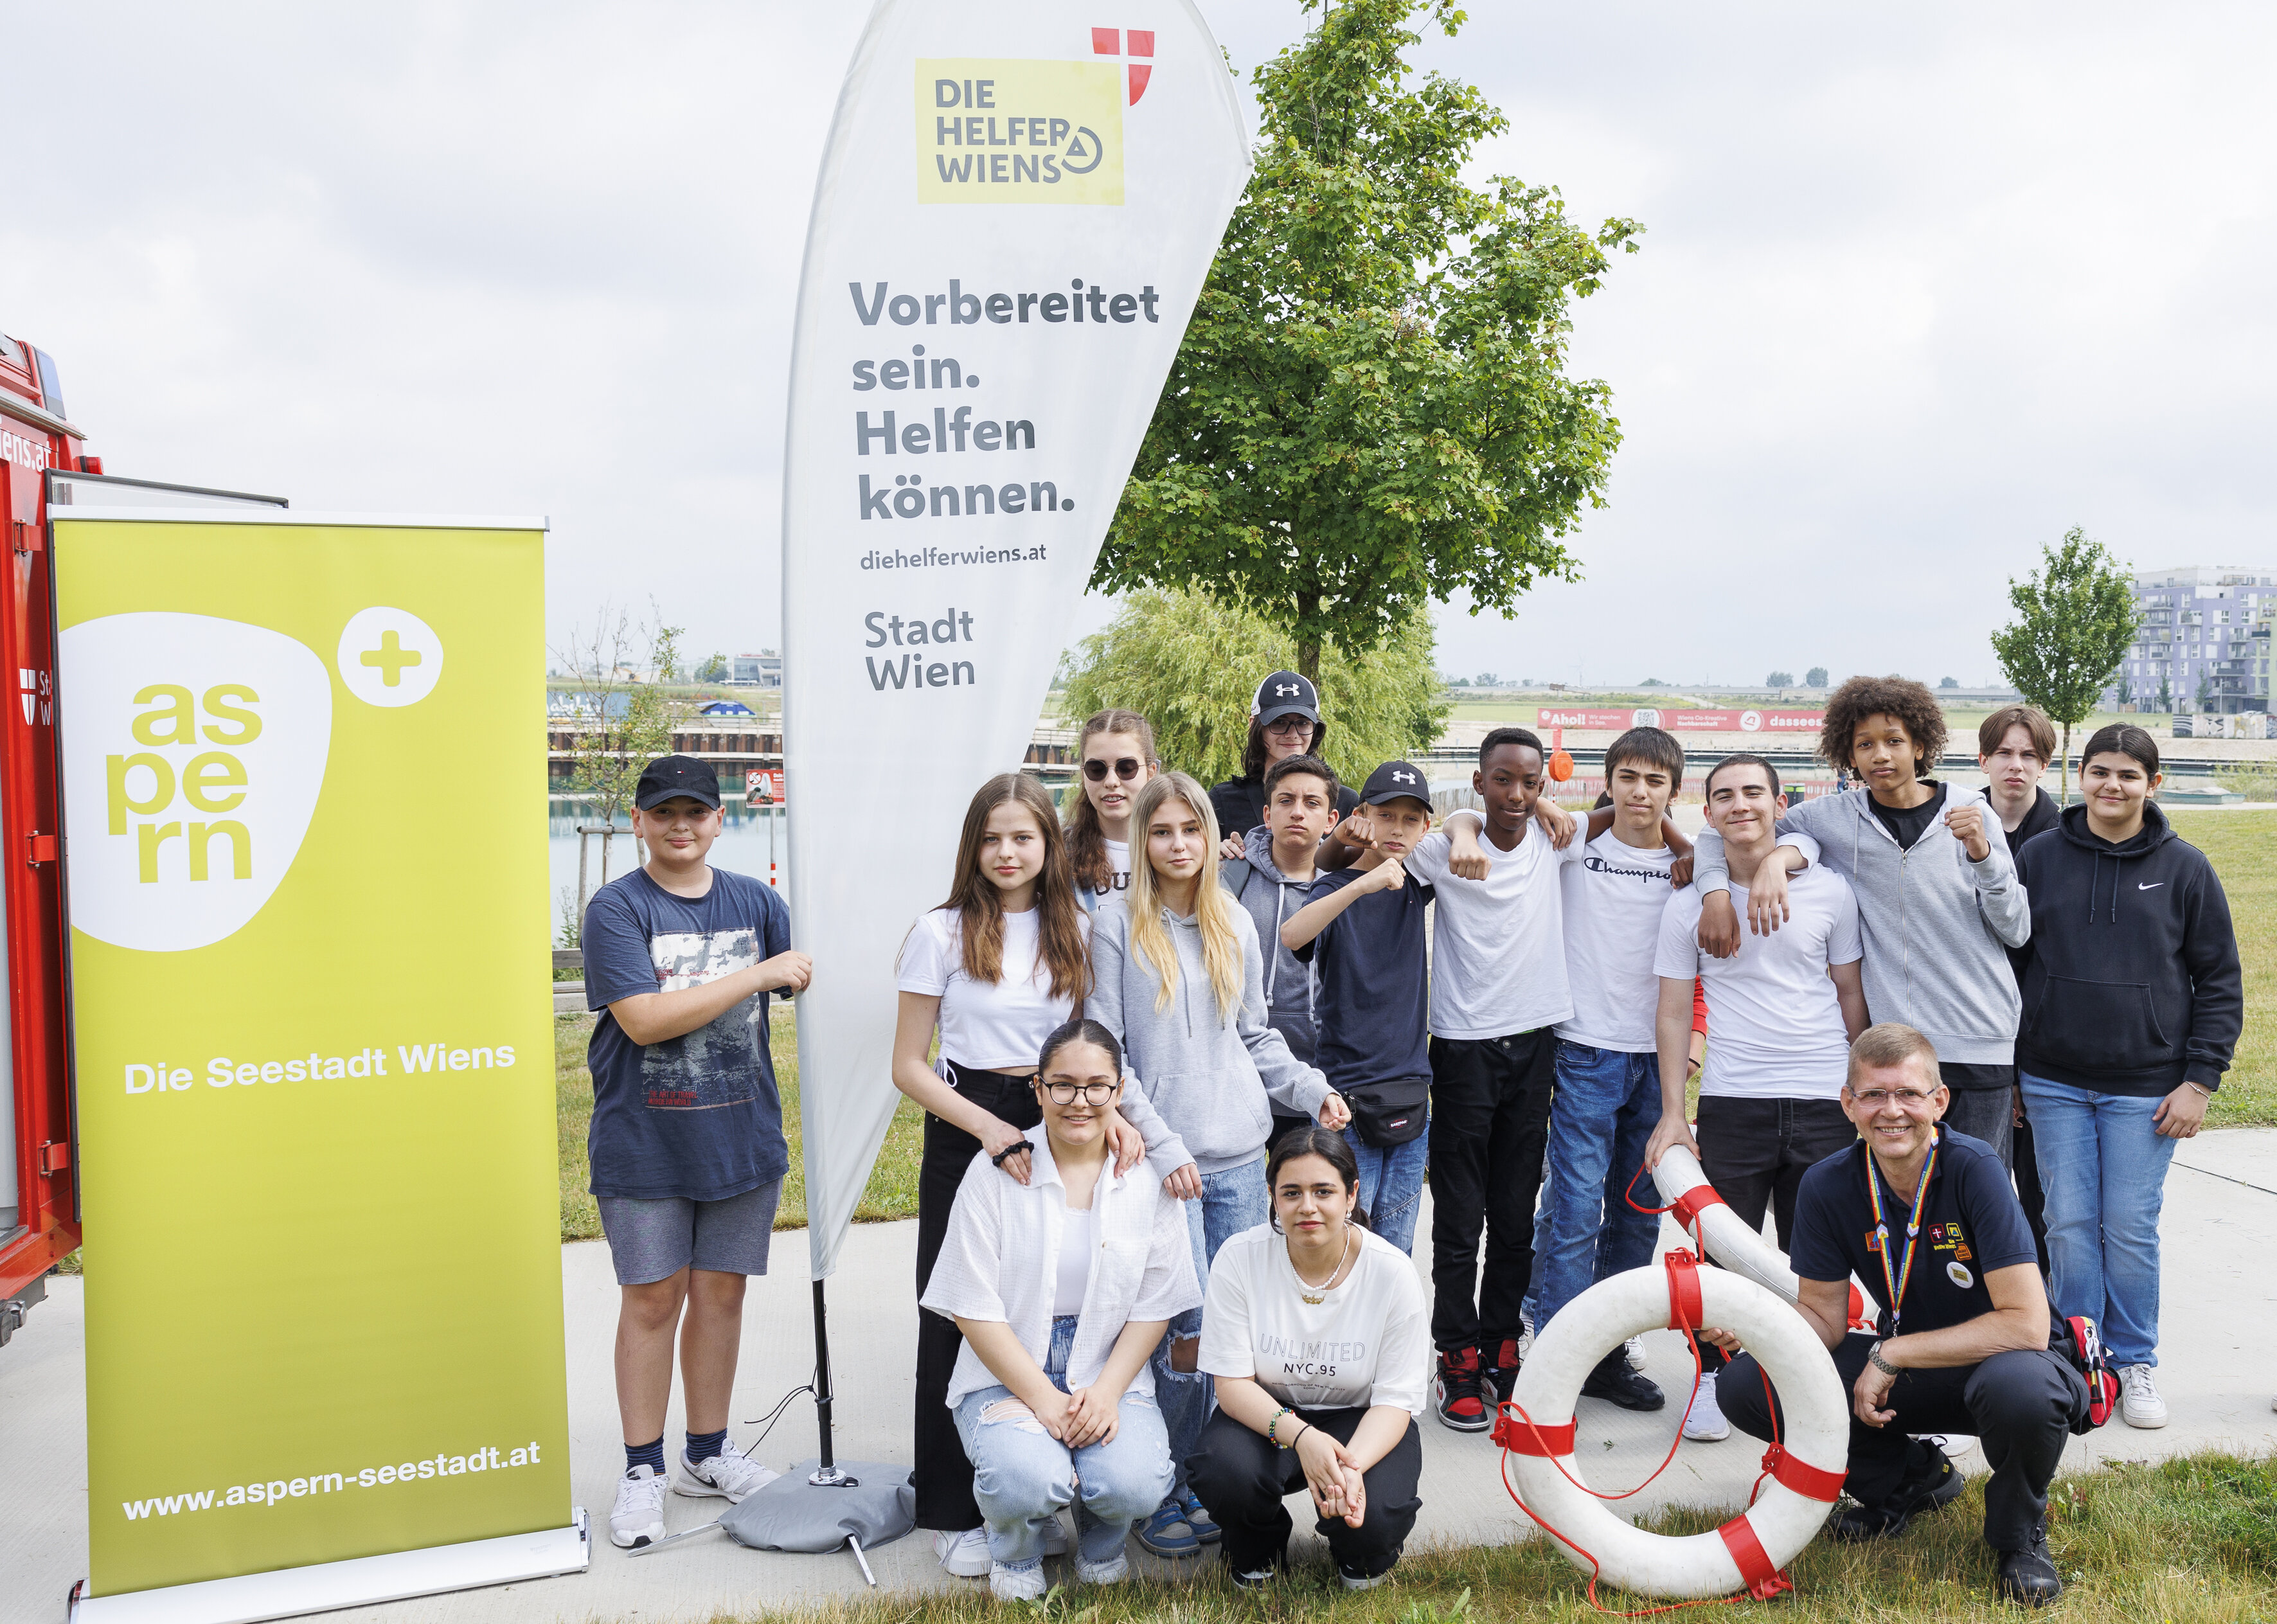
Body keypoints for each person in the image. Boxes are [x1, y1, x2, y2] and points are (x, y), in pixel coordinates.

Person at [1710, 1024, 2086, 1607]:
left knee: (2021, 1387)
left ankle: (2019, 1537)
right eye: (1874, 1094)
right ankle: (1912, 1483)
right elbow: (1823, 1321)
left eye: (1908, 1094)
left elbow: (2025, 1324)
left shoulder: (1973, 1167)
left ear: (1939, 1101)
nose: (1892, 1111)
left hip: (2009, 1362)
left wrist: (1893, 1353)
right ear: (1847, 1103)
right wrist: (1758, 1330)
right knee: (1747, 1383)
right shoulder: (1827, 1183)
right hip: (1912, 1368)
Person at [1089, 769, 1349, 1557]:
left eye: (1190, 830)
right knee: (1177, 1336)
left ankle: (1214, 1479)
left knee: (1231, 1333)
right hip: (1165, 1164)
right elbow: (1108, 1053)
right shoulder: (1113, 924)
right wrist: (1163, 1146)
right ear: (1145, 840)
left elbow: (1256, 1034)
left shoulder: (1231, 917)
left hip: (1240, 1157)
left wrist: (1310, 1088)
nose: (1177, 845)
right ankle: (1161, 1484)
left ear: (1209, 836)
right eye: (1162, 831)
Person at [893, 772, 1130, 1578]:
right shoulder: (940, 930)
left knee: (1049, 1303)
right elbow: (908, 1066)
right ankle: (954, 1508)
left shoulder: (1082, 928)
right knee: (956, 1311)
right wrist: (992, 1126)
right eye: (992, 838)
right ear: (974, 846)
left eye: (1022, 837)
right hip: (971, 1123)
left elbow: (1094, 1047)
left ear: (1048, 845)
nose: (1006, 851)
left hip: (1061, 1119)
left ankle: (1040, 1490)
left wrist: (1114, 1115)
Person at [582, 754, 811, 1549]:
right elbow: (643, 1019)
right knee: (652, 1300)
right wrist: (758, 974)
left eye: (697, 812)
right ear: (640, 822)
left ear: (720, 820)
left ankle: (707, 1454)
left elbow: (804, 978)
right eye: (663, 812)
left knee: (721, 1298)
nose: (681, 826)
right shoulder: (617, 909)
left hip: (740, 1139)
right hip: (645, 1143)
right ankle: (643, 1469)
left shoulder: (758, 901)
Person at [1693, 675, 2030, 1165]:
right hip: (1894, 1050)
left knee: (1976, 1195)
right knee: (1899, 1202)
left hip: (1977, 1040)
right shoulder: (1831, 816)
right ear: (1847, 755)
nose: (1880, 755)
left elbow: (2016, 928)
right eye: (1864, 744)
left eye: (1894, 741)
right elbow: (1729, 826)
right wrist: (1722, 887)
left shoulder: (1970, 811)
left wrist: (1981, 855)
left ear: (1920, 745)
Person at [919, 1020, 1201, 1600]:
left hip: (1106, 1365)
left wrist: (1105, 1392)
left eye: (1097, 1086)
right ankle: (1016, 1550)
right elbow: (971, 1308)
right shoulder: (993, 1174)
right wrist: (1044, 1401)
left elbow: (1156, 1304)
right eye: (1063, 1085)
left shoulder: (1144, 1183)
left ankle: (1102, 1544)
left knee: (1137, 1481)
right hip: (1008, 1368)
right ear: (1038, 1089)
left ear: (1119, 1092)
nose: (1080, 1101)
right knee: (1027, 1477)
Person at [2013, 725, 2242, 1430]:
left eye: (2129, 775)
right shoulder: (2040, 856)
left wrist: (2199, 1081)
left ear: (2154, 784)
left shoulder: (2185, 868)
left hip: (2147, 1084)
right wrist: (2013, 1074)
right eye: (2099, 772)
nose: (2113, 786)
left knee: (2130, 1225)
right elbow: (2010, 966)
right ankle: (2083, 1359)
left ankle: (2135, 1360)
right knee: (2070, 1222)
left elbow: (2219, 980)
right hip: (2051, 1078)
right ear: (2079, 777)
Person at [1650, 753, 1865, 1441]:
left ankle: (1813, 1379)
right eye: (1724, 796)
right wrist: (1673, 1114)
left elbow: (1850, 993)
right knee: (1725, 1254)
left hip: (1823, 1097)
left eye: (1753, 792)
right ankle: (1714, 1377)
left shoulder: (1829, 890)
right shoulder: (1688, 905)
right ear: (1706, 814)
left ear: (1780, 803)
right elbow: (1674, 1015)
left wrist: (1860, 1092)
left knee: (1819, 1254)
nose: (1740, 804)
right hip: (1735, 1098)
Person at [1187, 1128, 1429, 1592]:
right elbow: (1232, 1386)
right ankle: (1256, 1547)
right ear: (1272, 1195)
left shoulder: (1391, 1272)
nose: (1307, 1206)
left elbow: (1397, 1400)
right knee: (1223, 1468)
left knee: (1374, 1519)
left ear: (1351, 1192)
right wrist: (1303, 1438)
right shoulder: (1240, 1258)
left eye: (1323, 1191)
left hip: (1361, 1420)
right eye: (1291, 1192)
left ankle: (1359, 1553)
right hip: (1268, 1417)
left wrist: (1348, 1471)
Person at [1278, 762, 1437, 1258]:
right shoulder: (1336, 887)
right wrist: (1360, 884)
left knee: (1396, 1245)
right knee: (1346, 1239)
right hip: (1348, 1094)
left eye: (1411, 820)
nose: (1397, 828)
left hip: (1410, 1089)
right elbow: (1292, 935)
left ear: (1425, 827)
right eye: (1385, 815)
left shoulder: (1416, 882)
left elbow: (1464, 830)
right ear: (1361, 815)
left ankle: (1390, 1337)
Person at [1221, 753, 1344, 1149]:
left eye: (1312, 803)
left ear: (1331, 820)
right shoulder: (1231, 876)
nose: (1297, 812)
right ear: (1267, 811)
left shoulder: (1347, 885)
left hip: (1323, 1079)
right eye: (1286, 801)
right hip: (1242, 1074)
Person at [1978, 702, 2062, 1265]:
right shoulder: (1947, 824)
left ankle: (2042, 1310)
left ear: (2044, 763)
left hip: (2040, 1034)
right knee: (1973, 1186)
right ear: (1981, 760)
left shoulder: (2064, 839)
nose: (2015, 765)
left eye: (2028, 754)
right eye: (2004, 753)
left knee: (2039, 1193)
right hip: (1967, 1028)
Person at [1208, 670, 1360, 839]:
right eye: (1279, 723)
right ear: (1254, 725)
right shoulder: (1223, 801)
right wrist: (1216, 854)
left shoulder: (1346, 802)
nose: (1292, 734)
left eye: (1303, 723)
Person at [1066, 708, 1159, 914]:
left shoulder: (1182, 848)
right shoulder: (1058, 853)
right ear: (1083, 774)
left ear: (1151, 772)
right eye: (1097, 769)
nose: (1111, 782)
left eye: (1126, 768)